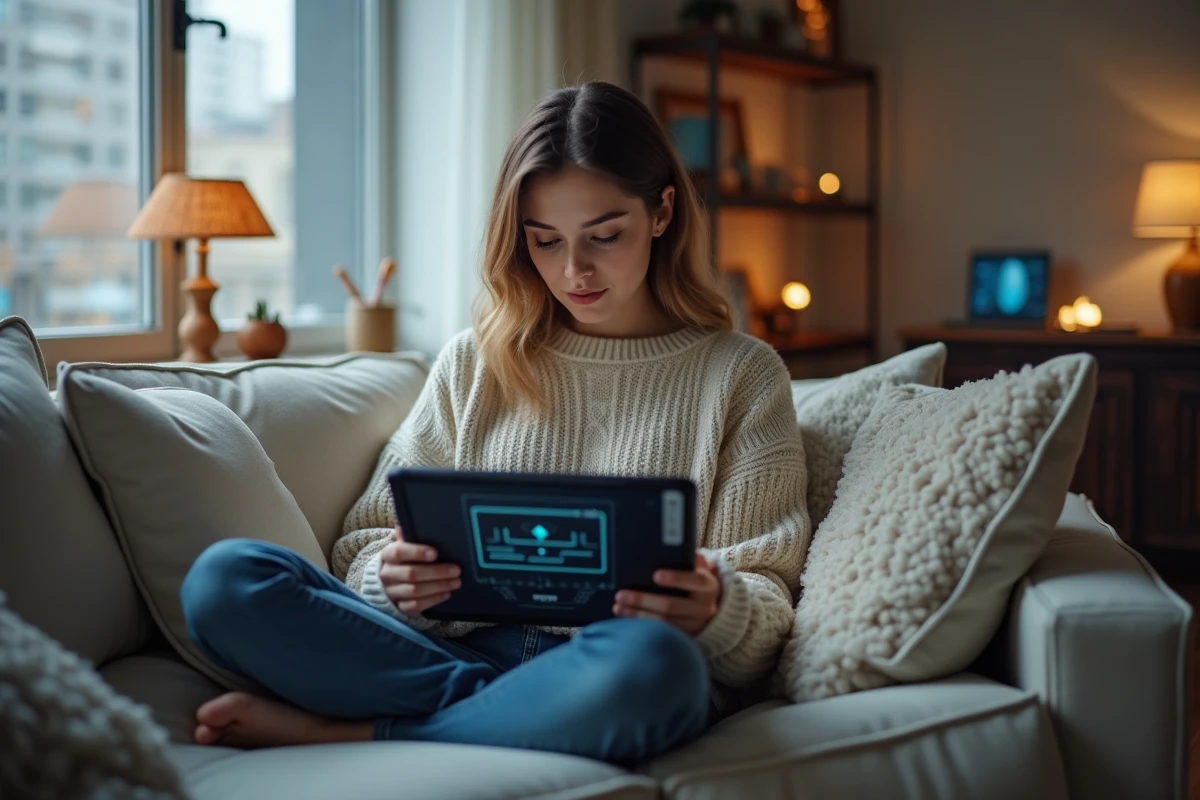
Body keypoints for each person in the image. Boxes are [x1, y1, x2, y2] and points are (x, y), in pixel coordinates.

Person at [179, 80, 811, 765]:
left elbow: (768, 608)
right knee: (227, 580)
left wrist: (715, 609)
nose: (574, 270)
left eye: (605, 236)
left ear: (661, 212)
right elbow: (360, 543)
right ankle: (503, 711)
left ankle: (358, 733)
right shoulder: (475, 361)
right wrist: (392, 581)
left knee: (659, 665)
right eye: (544, 241)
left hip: (614, 664)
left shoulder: (742, 374)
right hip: (449, 649)